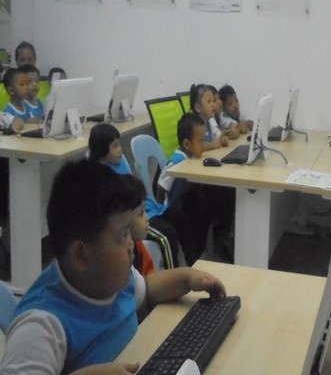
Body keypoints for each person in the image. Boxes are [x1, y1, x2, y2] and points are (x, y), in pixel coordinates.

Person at [0, 159, 226, 374]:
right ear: (81, 255)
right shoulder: (41, 327)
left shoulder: (112, 278)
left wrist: (186, 278)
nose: (131, 244)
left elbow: (148, 291)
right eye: (122, 236)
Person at [87, 123, 180, 268]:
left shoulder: (119, 162)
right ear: (101, 152)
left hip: (143, 208)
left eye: (119, 144)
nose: (120, 149)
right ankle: (173, 275)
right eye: (114, 146)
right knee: (165, 237)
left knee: (178, 216)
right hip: (132, 220)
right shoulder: (101, 177)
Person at [157, 113, 235, 266]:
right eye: (200, 141)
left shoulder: (190, 155)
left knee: (216, 195)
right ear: (187, 144)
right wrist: (160, 209)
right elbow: (160, 186)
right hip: (175, 207)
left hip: (187, 198)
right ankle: (194, 257)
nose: (203, 144)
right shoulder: (176, 161)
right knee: (203, 206)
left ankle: (220, 237)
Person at [190, 83, 232, 150]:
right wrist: (212, 145)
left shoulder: (209, 123)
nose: (213, 105)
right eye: (209, 101)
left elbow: (218, 136)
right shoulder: (194, 126)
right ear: (198, 107)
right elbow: (196, 147)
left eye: (213, 101)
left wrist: (222, 139)